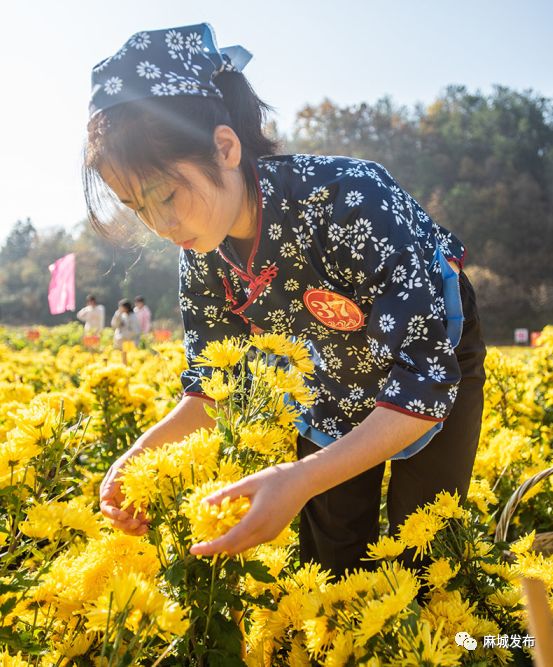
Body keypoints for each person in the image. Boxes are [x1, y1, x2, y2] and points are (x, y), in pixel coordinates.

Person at [88, 23, 486, 577]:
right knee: (331, 558)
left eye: (165, 196)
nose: (160, 225)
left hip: (432, 369)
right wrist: (134, 459)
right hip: (330, 380)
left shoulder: (350, 198)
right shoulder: (202, 253)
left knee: (424, 546)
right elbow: (213, 387)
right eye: (139, 208)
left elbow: (425, 381)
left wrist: (297, 479)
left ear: (224, 147)